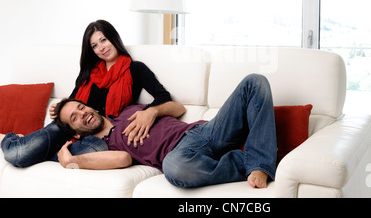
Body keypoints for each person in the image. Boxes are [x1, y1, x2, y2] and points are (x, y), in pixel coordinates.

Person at [1, 20, 184, 167]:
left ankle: (49, 152)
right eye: (95, 46)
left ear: (113, 38)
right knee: (17, 154)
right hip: (71, 127)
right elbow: (72, 103)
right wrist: (58, 110)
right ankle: (12, 139)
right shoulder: (88, 74)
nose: (101, 48)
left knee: (98, 153)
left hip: (101, 135)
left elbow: (163, 97)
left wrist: (147, 114)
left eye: (103, 40)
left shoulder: (135, 69)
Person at [54, 74, 277, 189]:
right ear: (75, 132)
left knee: (254, 82)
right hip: (180, 156)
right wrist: (70, 161)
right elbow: (122, 158)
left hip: (205, 131)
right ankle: (254, 161)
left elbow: (178, 108)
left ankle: (258, 161)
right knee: (174, 169)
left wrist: (152, 112)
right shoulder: (102, 146)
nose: (83, 114)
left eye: (81, 107)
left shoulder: (129, 110)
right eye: (74, 117)